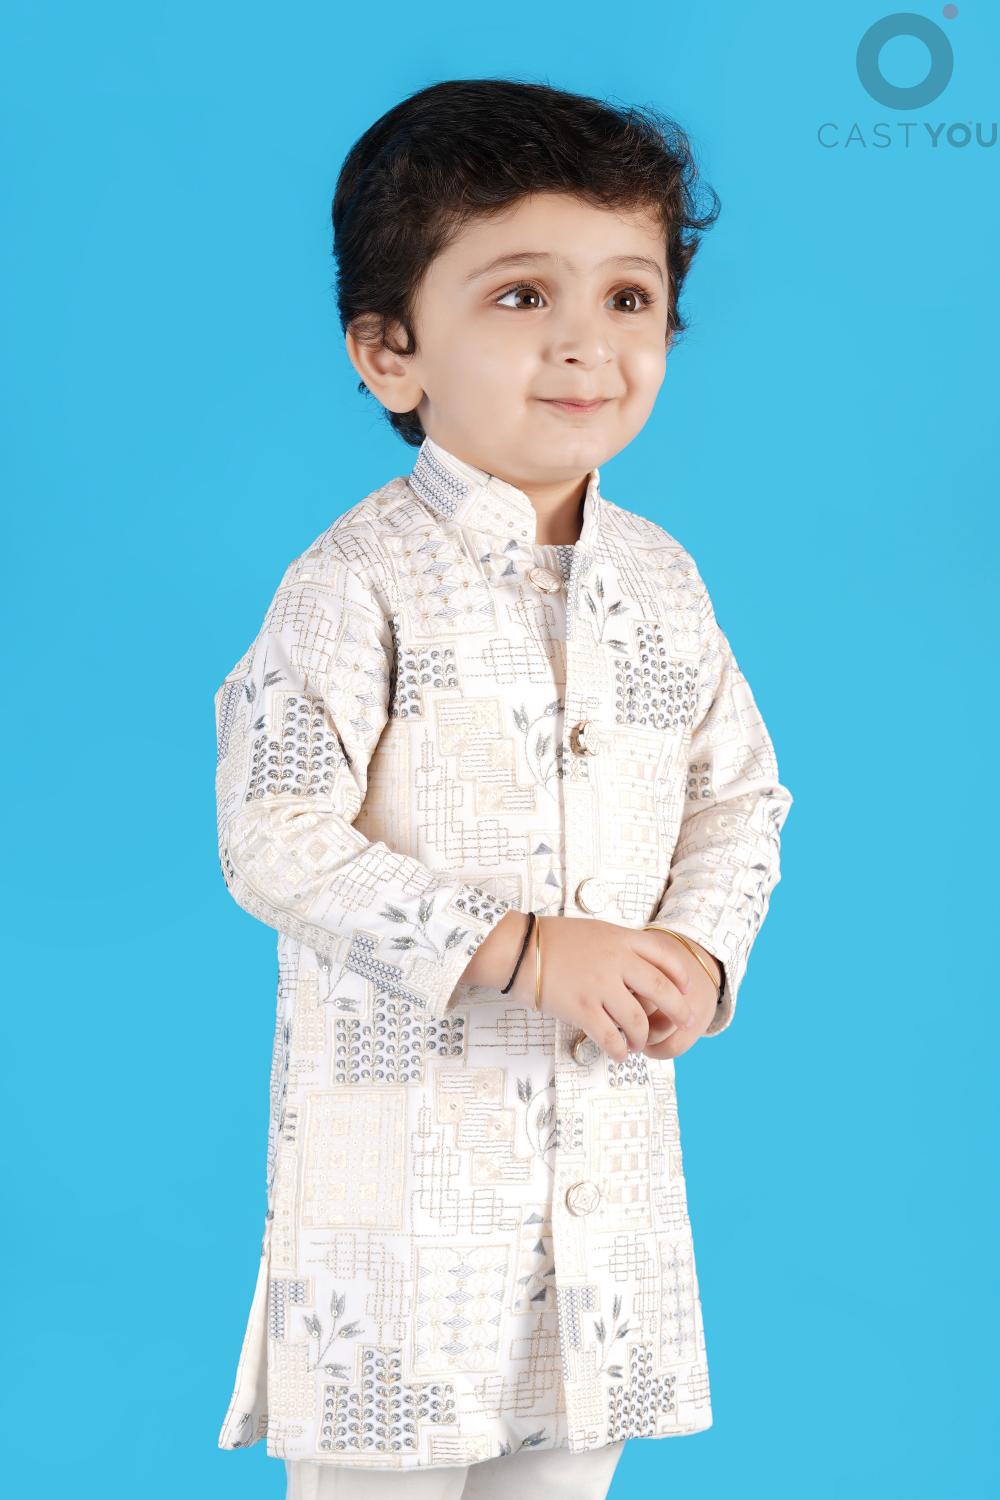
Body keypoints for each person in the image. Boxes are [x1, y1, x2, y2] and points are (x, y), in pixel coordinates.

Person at [212, 78, 794, 1500]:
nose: (588, 342)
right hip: (403, 1207)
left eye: (629, 297)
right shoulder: (356, 582)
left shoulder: (663, 584)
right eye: (523, 296)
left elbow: (742, 798)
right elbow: (273, 836)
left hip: (600, 1199)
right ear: (389, 354)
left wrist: (699, 955)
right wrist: (526, 948)